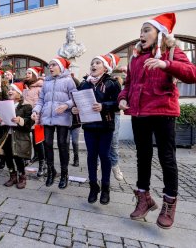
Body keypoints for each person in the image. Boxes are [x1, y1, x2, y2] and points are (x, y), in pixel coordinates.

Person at [118, 13, 196, 229]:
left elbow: (192, 74)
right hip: (139, 113)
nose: (141, 34)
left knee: (166, 158)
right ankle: (144, 198)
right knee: (143, 157)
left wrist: (166, 64)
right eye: (141, 30)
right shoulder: (134, 57)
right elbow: (128, 84)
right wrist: (123, 98)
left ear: (159, 33)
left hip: (163, 111)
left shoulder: (172, 51)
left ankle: (169, 203)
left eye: (146, 30)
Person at [72, 55, 121, 205]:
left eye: (97, 63)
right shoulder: (84, 84)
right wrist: (75, 109)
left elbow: (119, 103)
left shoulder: (112, 83)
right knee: (91, 156)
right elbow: (78, 102)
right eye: (92, 63)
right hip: (89, 126)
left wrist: (104, 106)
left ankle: (105, 188)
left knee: (104, 156)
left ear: (105, 67)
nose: (94, 65)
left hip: (105, 125)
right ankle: (93, 187)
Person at [32, 57, 77, 189]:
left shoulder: (69, 80)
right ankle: (51, 171)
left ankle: (64, 174)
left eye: (53, 65)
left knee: (63, 144)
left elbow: (75, 97)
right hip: (47, 117)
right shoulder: (46, 82)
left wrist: (66, 105)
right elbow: (41, 100)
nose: (50, 67)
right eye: (49, 65)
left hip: (62, 116)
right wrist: (36, 111)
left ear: (61, 67)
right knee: (47, 144)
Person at [0, 82, 33, 189]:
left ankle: (22, 177)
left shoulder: (26, 106)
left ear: (19, 93)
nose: (10, 91)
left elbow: (29, 123)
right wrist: (0, 120)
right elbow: (3, 119)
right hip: (7, 135)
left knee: (18, 157)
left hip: (19, 137)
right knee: (8, 156)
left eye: (13, 89)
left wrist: (20, 120)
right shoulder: (6, 104)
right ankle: (12, 176)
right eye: (9, 89)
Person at [23, 66, 46, 176]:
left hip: (38, 118)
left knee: (39, 142)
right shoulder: (28, 87)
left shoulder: (39, 87)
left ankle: (42, 163)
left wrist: (37, 114)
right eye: (26, 73)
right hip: (29, 118)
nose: (26, 74)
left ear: (35, 75)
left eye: (29, 73)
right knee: (32, 141)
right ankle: (34, 157)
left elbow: (40, 103)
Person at [107, 53, 125, 181]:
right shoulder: (94, 78)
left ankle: (114, 165)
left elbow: (118, 102)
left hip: (114, 114)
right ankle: (98, 163)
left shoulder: (115, 81)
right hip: (99, 115)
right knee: (99, 141)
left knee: (113, 142)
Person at [67, 73, 81, 167]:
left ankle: (76, 158)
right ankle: (66, 158)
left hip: (76, 123)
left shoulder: (78, 96)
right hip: (66, 122)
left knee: (75, 142)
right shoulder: (65, 95)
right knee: (66, 142)